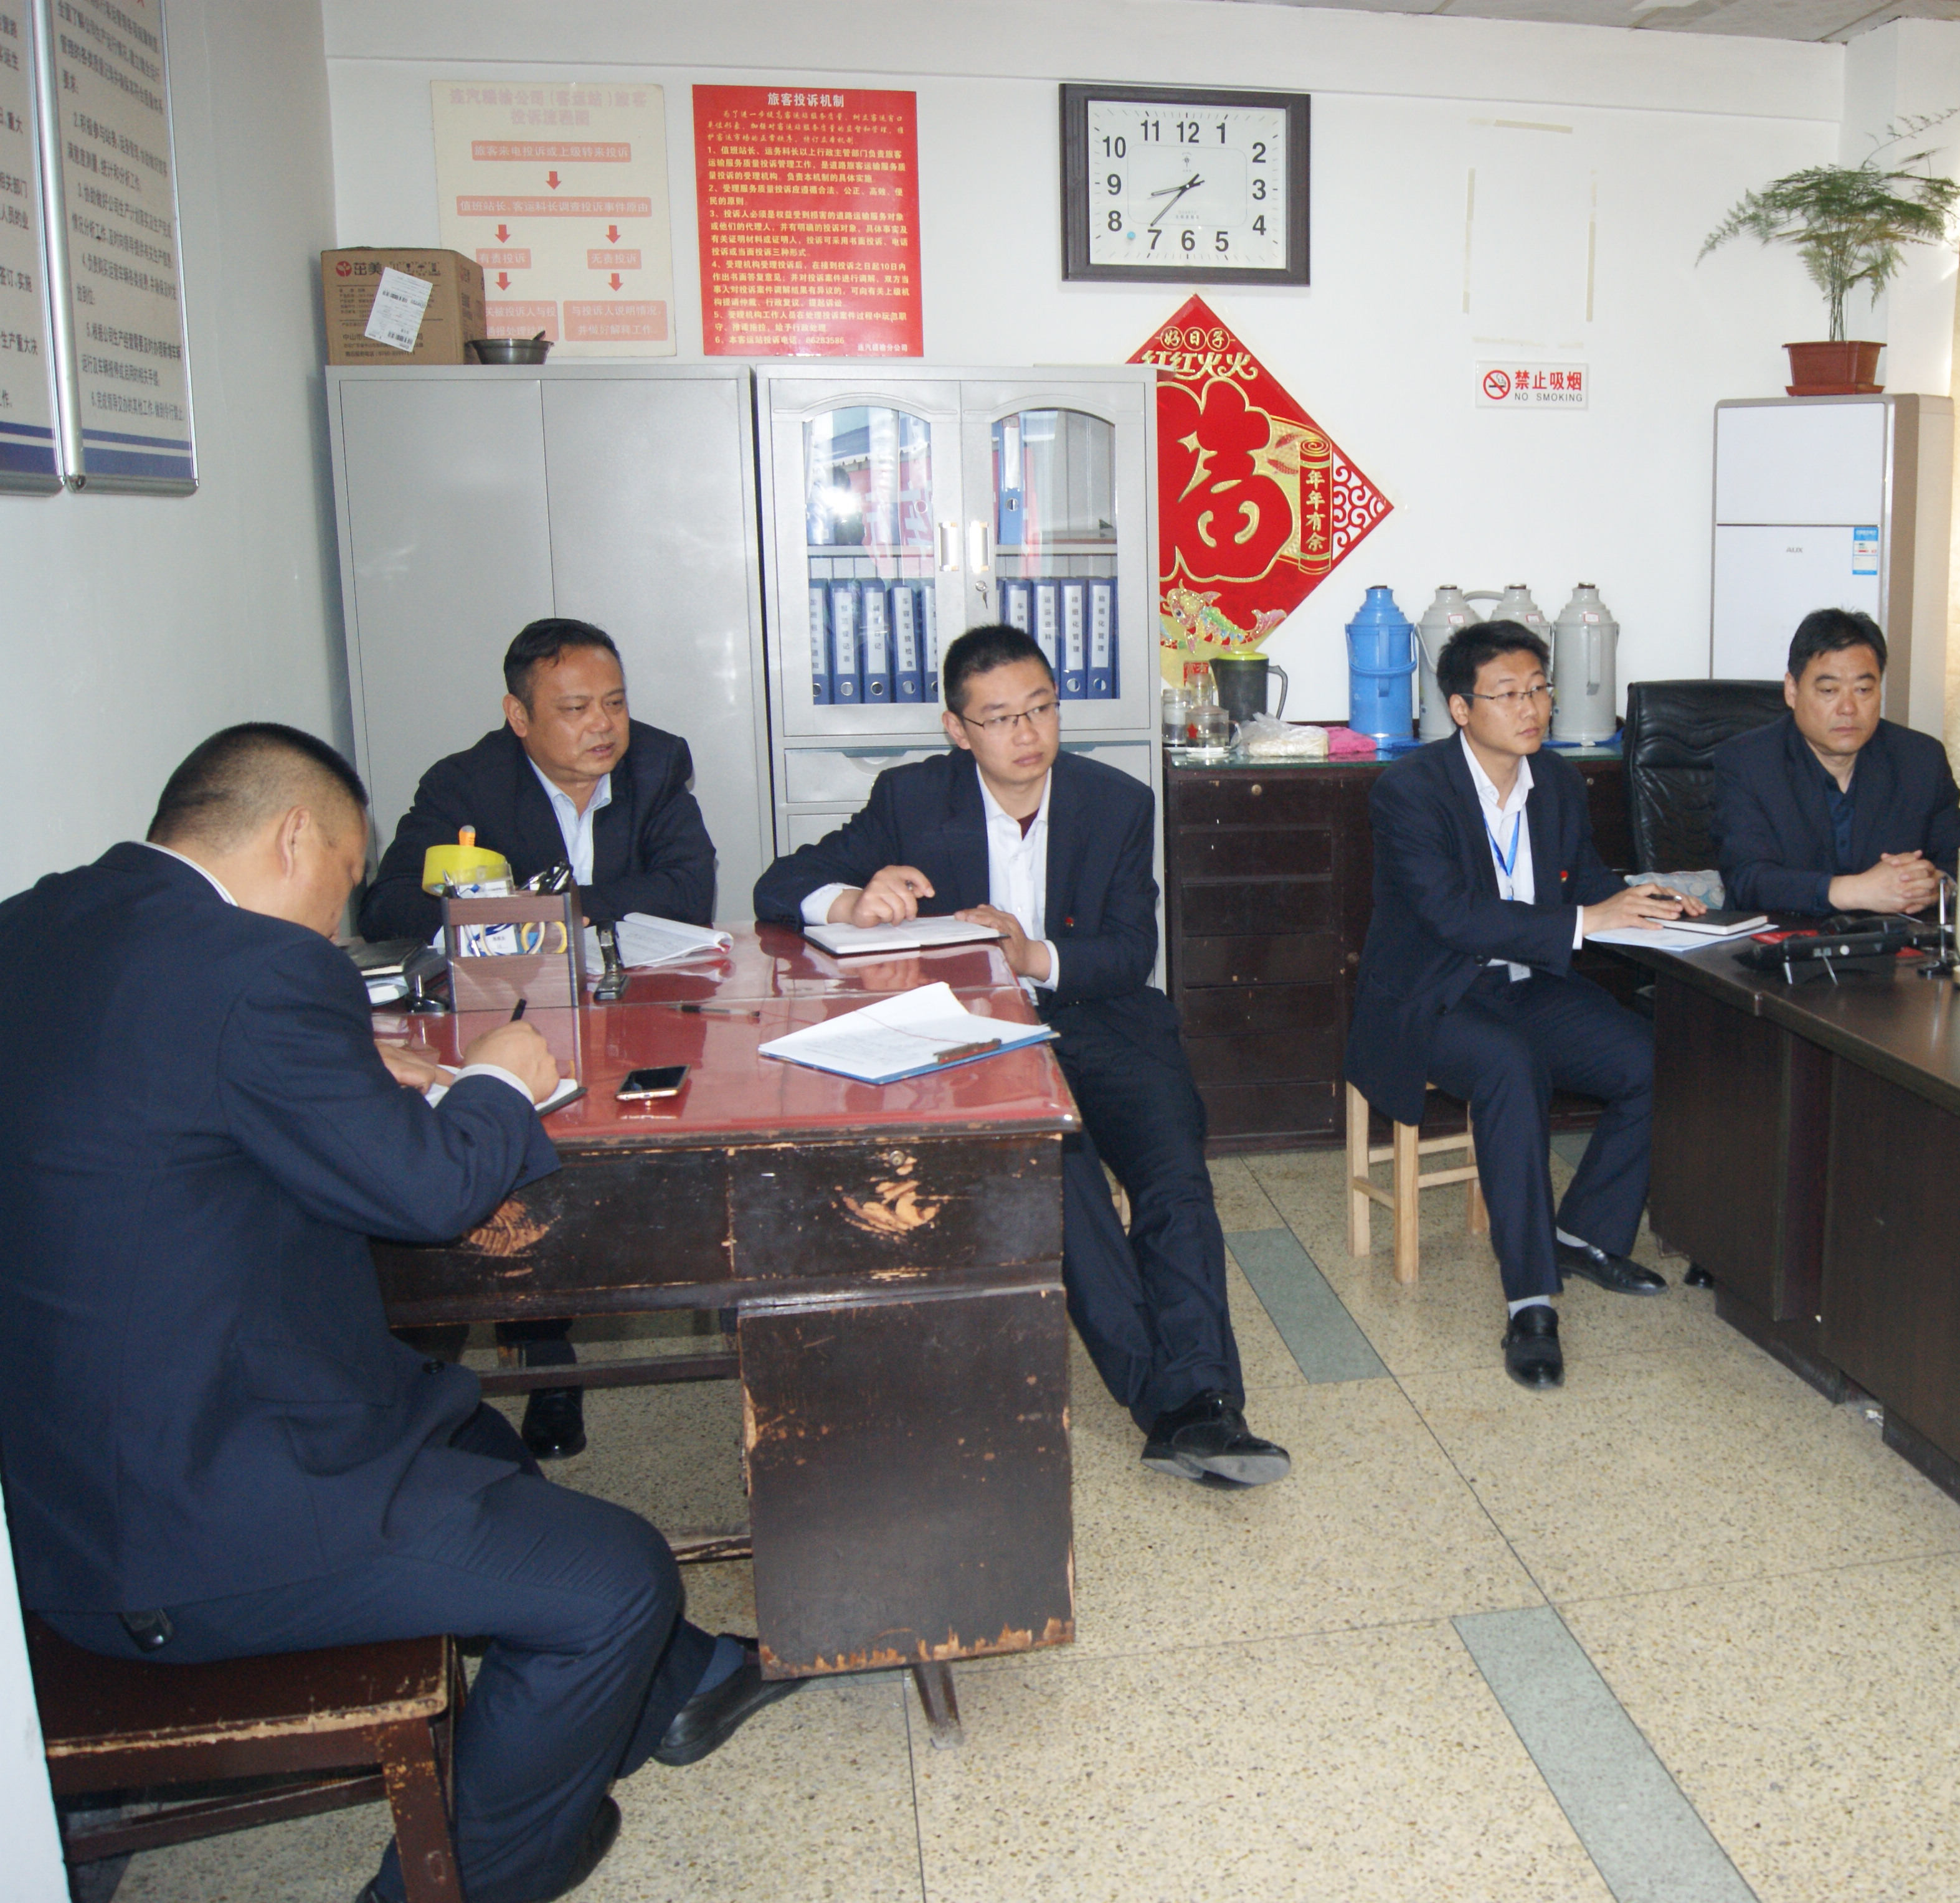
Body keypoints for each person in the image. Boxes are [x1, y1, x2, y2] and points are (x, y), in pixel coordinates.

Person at [0, 724, 797, 1903]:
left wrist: (343, 1070)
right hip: (187, 1525)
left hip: (59, 1495)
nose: (337, 917)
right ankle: (464, 1879)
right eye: (341, 876)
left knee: (460, 1419)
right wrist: (502, 1075)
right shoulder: (256, 968)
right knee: (620, 1578)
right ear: (293, 837)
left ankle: (666, 1692)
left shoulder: (38, 925)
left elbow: (161, 1094)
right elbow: (428, 1194)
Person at [752, 624, 1289, 1489]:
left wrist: (1029, 953)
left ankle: (1198, 1395)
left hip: (1103, 1018)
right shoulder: (911, 798)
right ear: (956, 729)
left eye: (1040, 709)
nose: (1027, 733)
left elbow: (1129, 951)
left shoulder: (1116, 801)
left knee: (1174, 1175)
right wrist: (852, 899)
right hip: (976, 1035)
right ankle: (1184, 1407)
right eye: (999, 718)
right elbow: (778, 885)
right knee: (1063, 1177)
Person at [359, 617, 721, 1460]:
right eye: (575, 708)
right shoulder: (465, 784)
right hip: (511, 1019)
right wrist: (539, 919)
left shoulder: (657, 763)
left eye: (614, 703)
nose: (604, 726)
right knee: (528, 1155)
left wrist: (532, 909)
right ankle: (549, 1354)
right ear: (519, 716)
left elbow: (686, 890)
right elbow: (386, 905)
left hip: (637, 1009)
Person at [1347, 621, 1702, 1391]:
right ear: (1460, 708)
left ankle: (1583, 1233)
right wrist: (1585, 920)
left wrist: (1645, 899)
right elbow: (1451, 915)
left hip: (1527, 981)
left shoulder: (1558, 782)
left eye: (1539, 688)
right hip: (1434, 993)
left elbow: (1583, 881)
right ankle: (1529, 1303)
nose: (1531, 707)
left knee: (1652, 1060)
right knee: (1510, 1068)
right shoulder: (1409, 791)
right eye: (1507, 693)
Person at [1715, 608, 1960, 917]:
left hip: (1894, 942)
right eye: (1829, 691)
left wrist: (1933, 887)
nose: (1848, 708)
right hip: (1783, 940)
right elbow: (1747, 881)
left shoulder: (1921, 759)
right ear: (1792, 690)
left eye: (1863, 690)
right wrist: (1858, 891)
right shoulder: (1748, 762)